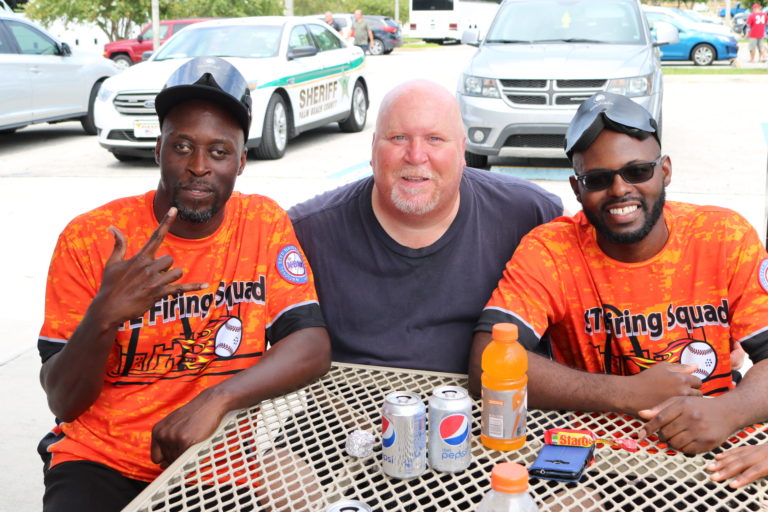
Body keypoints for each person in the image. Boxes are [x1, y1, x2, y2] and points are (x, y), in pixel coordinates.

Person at [36, 56, 331, 511]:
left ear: (241, 161)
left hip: (216, 462)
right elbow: (63, 400)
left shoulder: (262, 223)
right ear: (158, 150)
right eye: (182, 146)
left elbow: (311, 344)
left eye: (219, 151)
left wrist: (219, 398)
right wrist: (104, 315)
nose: (198, 166)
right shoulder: (93, 237)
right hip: (98, 460)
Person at [470, 91, 768, 456]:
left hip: (713, 453)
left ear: (666, 171)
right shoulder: (551, 249)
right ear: (577, 189)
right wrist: (625, 393)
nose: (620, 189)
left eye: (637, 171)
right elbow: (486, 362)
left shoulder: (723, 236)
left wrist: (729, 410)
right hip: (595, 459)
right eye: (597, 179)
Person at [288, 80, 563, 374]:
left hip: (491, 411)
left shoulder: (531, 214)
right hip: (349, 414)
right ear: (372, 148)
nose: (416, 155)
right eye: (398, 138)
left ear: (462, 151)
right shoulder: (306, 232)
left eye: (434, 139)